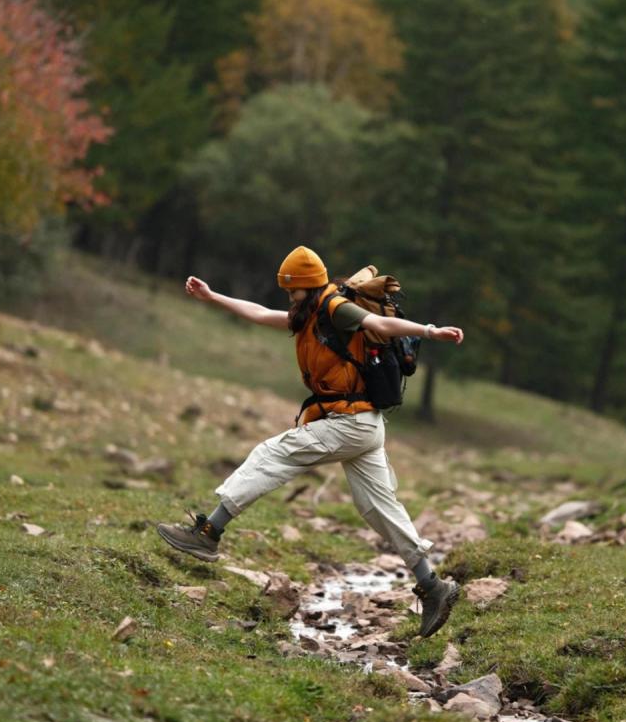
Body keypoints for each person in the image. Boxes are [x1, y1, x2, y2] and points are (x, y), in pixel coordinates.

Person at [157, 246, 465, 638]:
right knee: (377, 507)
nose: (289, 299)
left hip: (350, 422)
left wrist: (429, 331)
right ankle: (434, 586)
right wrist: (212, 296)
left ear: (307, 286)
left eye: (292, 291)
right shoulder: (308, 313)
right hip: (363, 425)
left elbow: (380, 325)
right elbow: (261, 314)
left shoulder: (335, 308)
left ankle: (208, 533)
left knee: (272, 454)